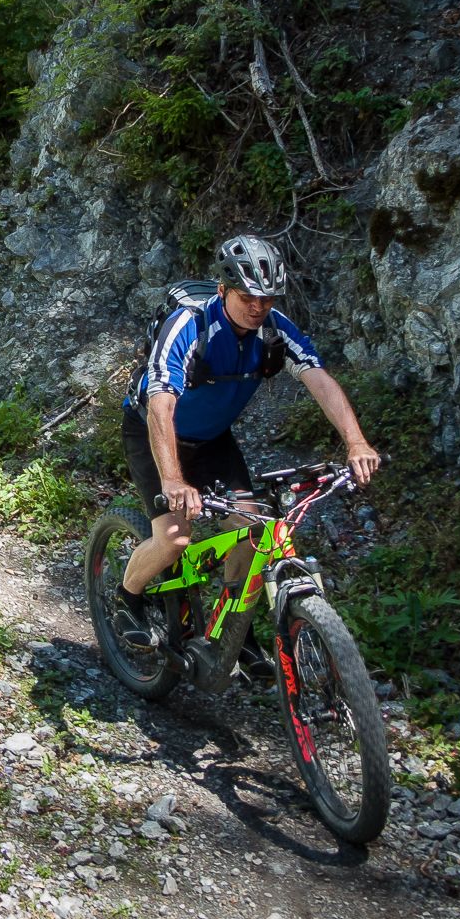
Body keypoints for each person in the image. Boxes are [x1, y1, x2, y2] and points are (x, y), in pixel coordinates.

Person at [114, 234, 381, 648]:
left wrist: (356, 442)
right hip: (154, 431)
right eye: (248, 297)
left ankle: (234, 627)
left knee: (253, 530)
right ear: (223, 291)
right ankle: (127, 598)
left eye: (268, 299)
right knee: (173, 537)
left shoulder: (274, 330)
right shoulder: (189, 325)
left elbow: (319, 379)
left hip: (212, 439)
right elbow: (161, 404)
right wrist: (172, 480)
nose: (258, 308)